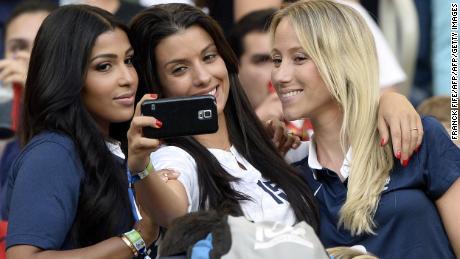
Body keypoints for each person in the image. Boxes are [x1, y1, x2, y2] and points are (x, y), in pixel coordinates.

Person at [126, 3, 421, 231]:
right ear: (157, 84)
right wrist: (140, 168)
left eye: (209, 57)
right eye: (179, 69)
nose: (203, 76)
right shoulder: (175, 159)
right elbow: (172, 213)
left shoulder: (273, 149)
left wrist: (389, 100)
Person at [269, 0, 460, 258]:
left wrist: (391, 98)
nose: (280, 76)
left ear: (342, 61)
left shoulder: (417, 138)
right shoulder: (292, 174)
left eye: (299, 58)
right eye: (277, 60)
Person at [6, 5, 162, 258]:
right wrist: (136, 239)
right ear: (67, 75)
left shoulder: (121, 143)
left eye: (128, 60)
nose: (128, 78)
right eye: (104, 66)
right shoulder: (53, 152)